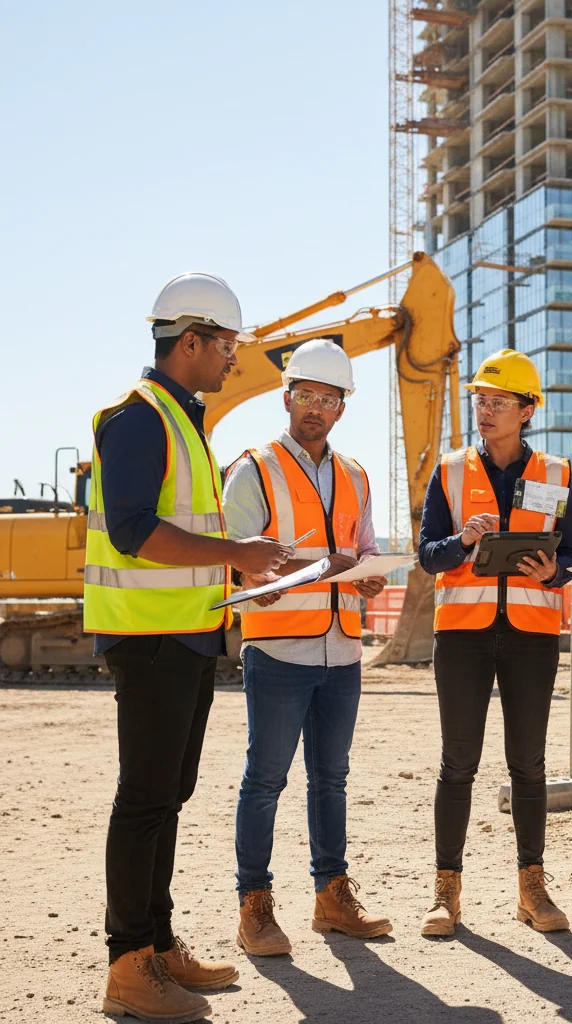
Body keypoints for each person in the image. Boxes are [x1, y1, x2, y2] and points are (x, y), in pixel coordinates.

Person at [86, 273, 293, 1023]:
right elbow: (134, 530)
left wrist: (240, 576)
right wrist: (236, 552)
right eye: (229, 345)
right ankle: (128, 962)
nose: (235, 359)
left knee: (168, 797)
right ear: (193, 341)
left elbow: (196, 545)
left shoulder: (185, 421)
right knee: (143, 799)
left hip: (187, 634)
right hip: (148, 641)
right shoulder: (139, 420)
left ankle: (159, 943)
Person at [222, 339, 392, 954]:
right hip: (277, 650)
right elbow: (237, 556)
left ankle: (331, 898)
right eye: (307, 396)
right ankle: (255, 906)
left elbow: (365, 547)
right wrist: (254, 580)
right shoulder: (255, 467)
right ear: (286, 398)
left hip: (342, 649)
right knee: (265, 781)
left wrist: (369, 572)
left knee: (332, 779)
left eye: (329, 398)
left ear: (342, 407)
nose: (316, 407)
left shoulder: (355, 474)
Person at [417, 349, 572, 937]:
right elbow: (427, 554)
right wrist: (462, 540)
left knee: (529, 766)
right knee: (457, 763)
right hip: (462, 635)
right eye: (480, 401)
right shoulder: (452, 469)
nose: (485, 411)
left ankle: (531, 889)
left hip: (532, 637)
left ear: (527, 410)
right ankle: (446, 893)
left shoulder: (557, 473)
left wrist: (551, 574)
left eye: (498, 402)